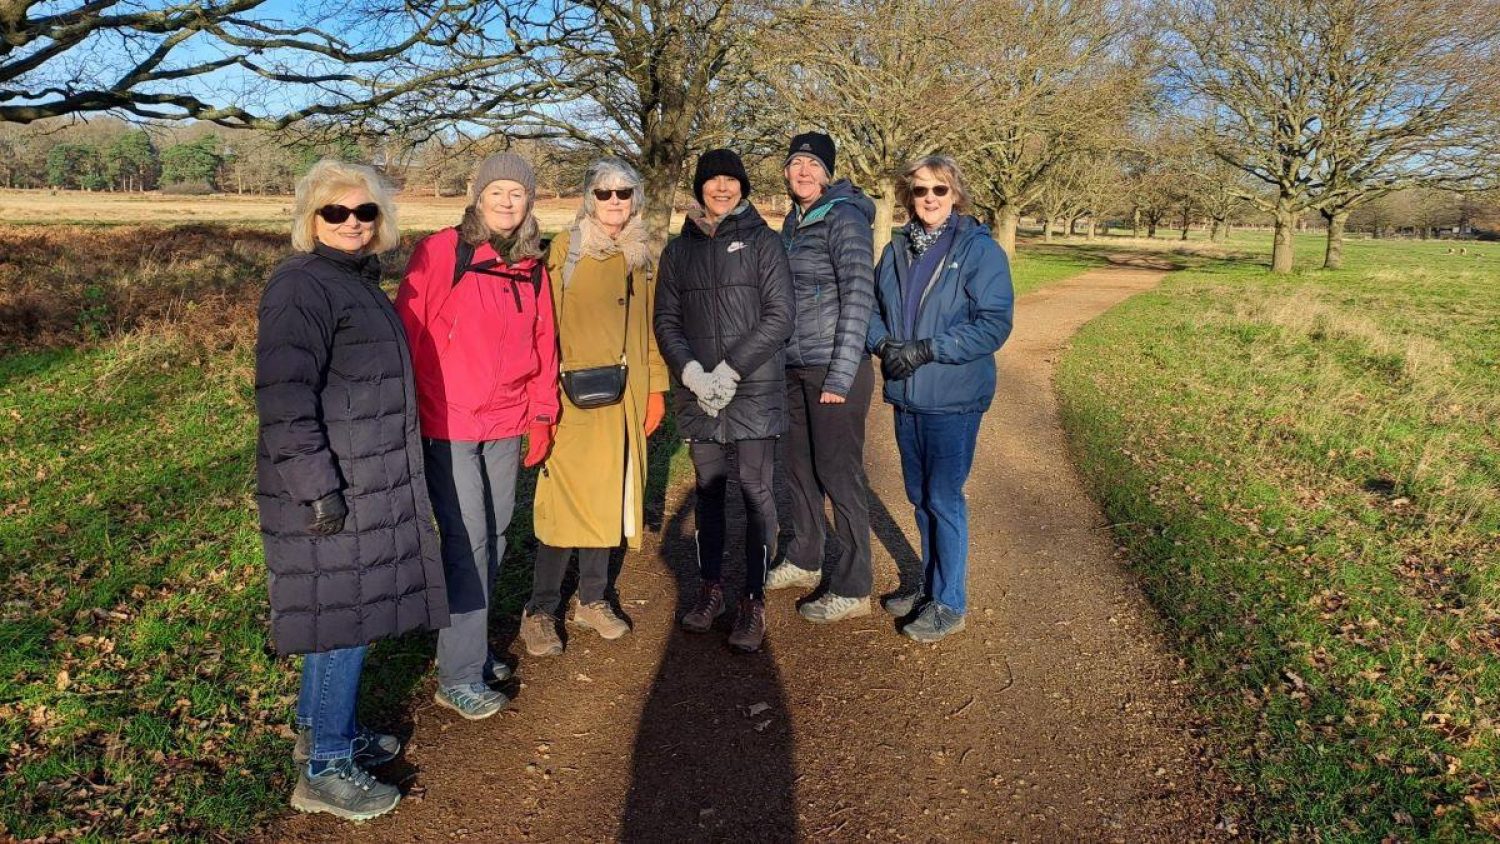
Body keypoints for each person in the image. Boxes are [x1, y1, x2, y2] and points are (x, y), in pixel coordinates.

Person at [256, 159, 448, 820]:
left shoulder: (350, 280)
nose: (352, 224)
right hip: (332, 484)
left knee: (338, 615)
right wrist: (318, 488)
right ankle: (326, 769)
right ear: (309, 219)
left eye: (364, 212)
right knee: (346, 622)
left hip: (364, 474)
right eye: (335, 212)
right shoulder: (302, 286)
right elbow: (284, 397)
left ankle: (321, 731)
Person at [396, 152, 559, 717]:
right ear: (478, 195)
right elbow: (409, 333)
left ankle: (470, 645)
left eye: (518, 193)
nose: (507, 202)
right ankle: (458, 674)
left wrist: (542, 413)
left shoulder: (533, 261)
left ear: (529, 200)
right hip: (450, 422)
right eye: (498, 192)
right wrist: (406, 413)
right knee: (467, 542)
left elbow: (545, 341)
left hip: (508, 421)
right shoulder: (444, 251)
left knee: (498, 536)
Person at [521, 157, 668, 656]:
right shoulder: (568, 249)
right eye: (603, 194)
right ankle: (540, 609)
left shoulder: (643, 254)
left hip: (625, 393)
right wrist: (542, 400)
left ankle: (592, 598)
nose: (614, 203)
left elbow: (649, 326)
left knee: (610, 497)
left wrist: (655, 388)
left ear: (636, 198)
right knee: (564, 504)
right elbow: (543, 327)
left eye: (623, 193)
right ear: (589, 198)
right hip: (571, 395)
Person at [866, 154, 1014, 643]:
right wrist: (884, 344)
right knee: (918, 497)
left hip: (952, 398)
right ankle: (928, 586)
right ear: (909, 196)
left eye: (939, 190)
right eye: (921, 190)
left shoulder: (977, 251)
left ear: (956, 195)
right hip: (906, 395)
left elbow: (994, 324)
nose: (929, 199)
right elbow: (869, 307)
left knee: (943, 498)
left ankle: (950, 602)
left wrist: (930, 349)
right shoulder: (896, 250)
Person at [654, 148, 794, 653]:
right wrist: (692, 372)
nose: (721, 188)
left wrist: (731, 369)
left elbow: (780, 316)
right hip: (699, 393)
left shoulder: (765, 242)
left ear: (742, 187)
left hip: (752, 387)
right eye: (711, 180)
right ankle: (710, 587)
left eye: (730, 180)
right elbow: (665, 320)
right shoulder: (677, 251)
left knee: (756, 491)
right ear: (699, 188)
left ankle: (752, 598)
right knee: (709, 490)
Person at [764, 131, 878, 622]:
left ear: (827, 172)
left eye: (812, 164)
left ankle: (854, 586)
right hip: (794, 366)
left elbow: (858, 298)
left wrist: (841, 374)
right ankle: (806, 557)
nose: (803, 172)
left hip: (835, 369)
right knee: (798, 469)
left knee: (839, 473)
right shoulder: (794, 221)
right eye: (796, 164)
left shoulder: (845, 218)